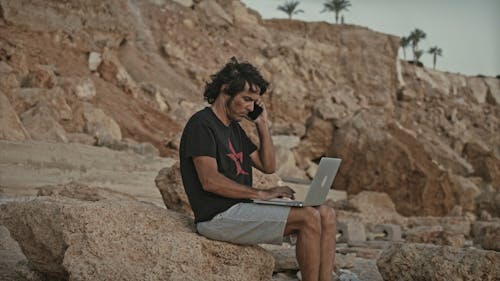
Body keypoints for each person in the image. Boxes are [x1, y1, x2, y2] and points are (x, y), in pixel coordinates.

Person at [179, 57, 336, 281]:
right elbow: (210, 180)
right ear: (225, 90)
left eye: (254, 102)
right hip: (217, 217)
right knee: (309, 218)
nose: (251, 107)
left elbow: (268, 165)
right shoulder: (201, 124)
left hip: (241, 209)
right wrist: (261, 194)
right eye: (246, 99)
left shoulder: (234, 129)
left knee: (326, 215)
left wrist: (262, 124)